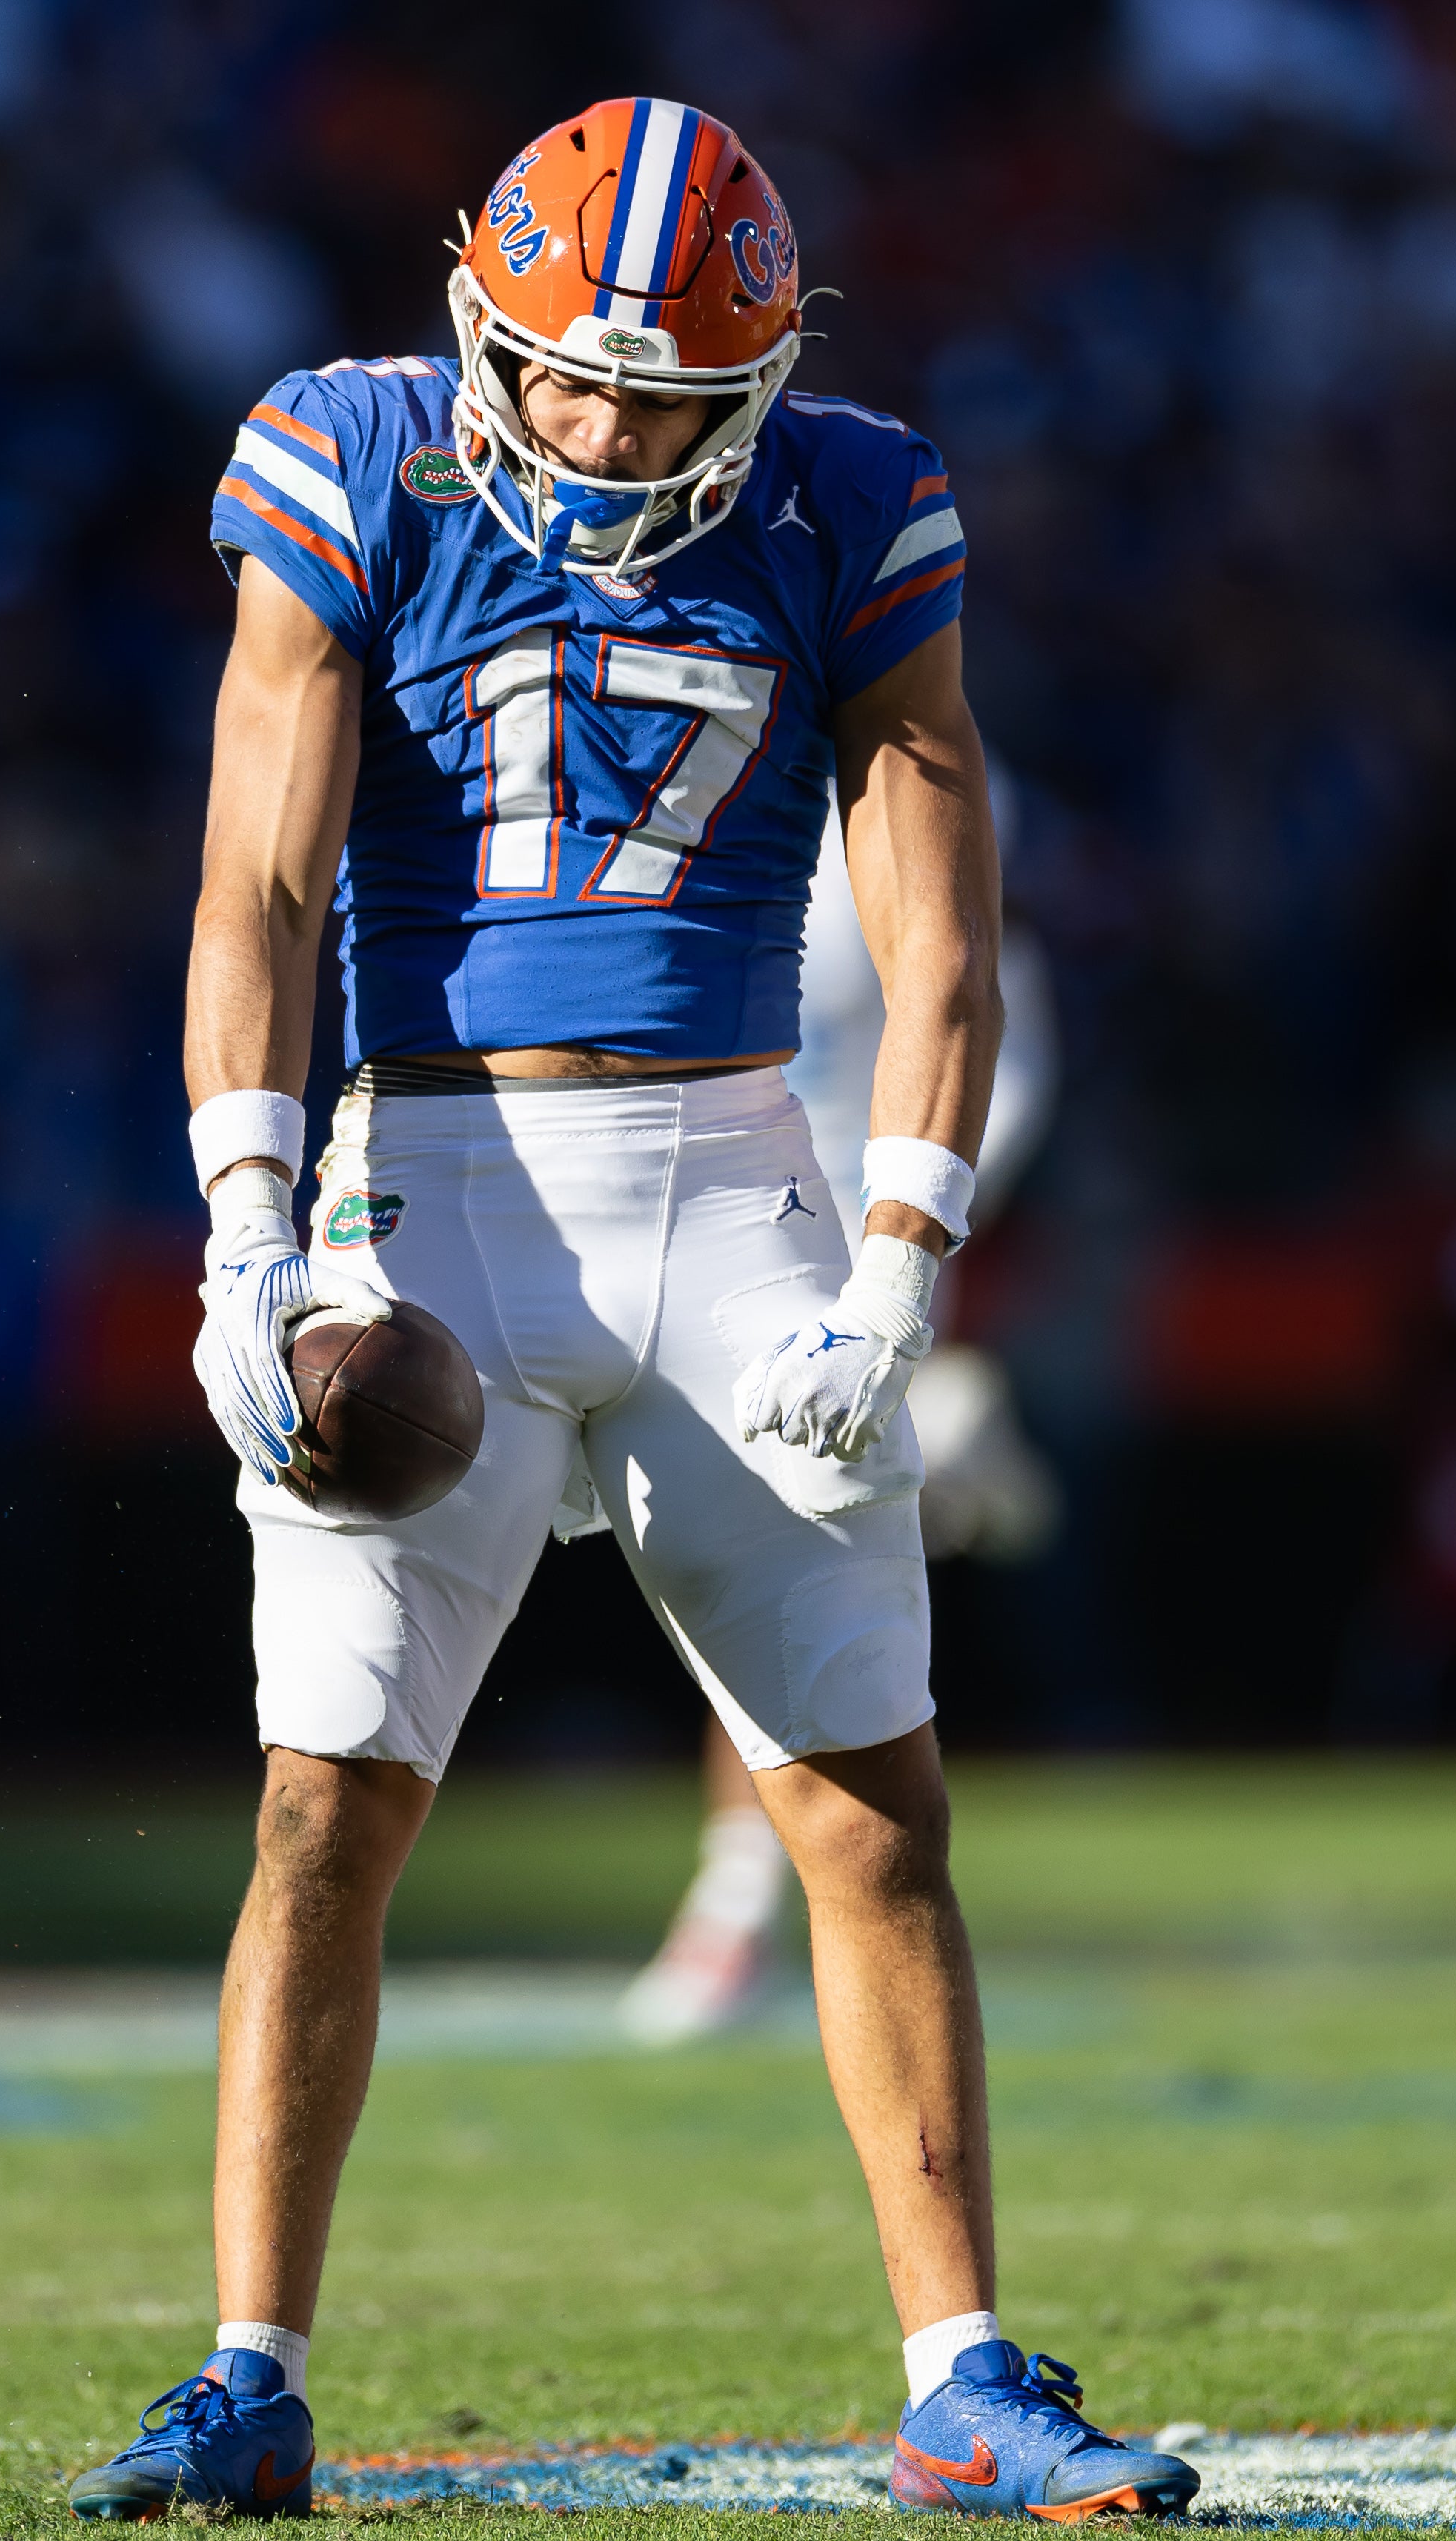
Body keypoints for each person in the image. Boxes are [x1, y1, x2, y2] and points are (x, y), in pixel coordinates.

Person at [89, 97, 1195, 2526]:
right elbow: (255, 884)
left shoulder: (847, 499)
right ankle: (249, 2369)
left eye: (660, 394)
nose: (599, 430)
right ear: (478, 323)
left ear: (765, 374)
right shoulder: (349, 454)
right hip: (421, 1183)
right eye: (563, 383)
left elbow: (937, 906)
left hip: (731, 1186)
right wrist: (246, 1230)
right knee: (319, 1812)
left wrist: (902, 1266)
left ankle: (965, 2371)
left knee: (869, 1813)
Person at [619, 809, 1061, 2047]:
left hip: (840, 1254)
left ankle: (736, 1911)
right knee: (743, 1576)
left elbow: (1000, 1042)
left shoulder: (892, 770)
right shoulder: (687, 752)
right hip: (704, 1222)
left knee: (764, 1578)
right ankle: (945, 1438)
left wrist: (900, 1228)